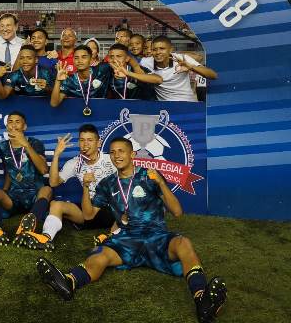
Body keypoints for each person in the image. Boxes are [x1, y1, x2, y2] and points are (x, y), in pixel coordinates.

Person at [36, 138, 227, 323]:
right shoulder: (107, 183)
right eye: (112, 152)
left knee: (183, 243)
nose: (116, 155)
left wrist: (161, 183)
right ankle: (69, 281)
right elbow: (87, 215)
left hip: (156, 236)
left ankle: (202, 299)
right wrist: (86, 187)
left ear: (132, 154)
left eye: (121, 151)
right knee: (99, 255)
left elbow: (177, 212)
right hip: (126, 239)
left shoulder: (149, 176)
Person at [20, 125, 117, 250]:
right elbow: (53, 183)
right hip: (87, 210)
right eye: (82, 140)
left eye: (90, 140)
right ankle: (46, 238)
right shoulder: (75, 163)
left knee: (130, 207)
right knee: (56, 204)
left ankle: (112, 236)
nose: (85, 144)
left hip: (111, 211)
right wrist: (56, 155)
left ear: (99, 143)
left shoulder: (111, 160)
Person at [0, 112, 51, 246]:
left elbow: (43, 170)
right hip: (14, 197)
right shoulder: (3, 146)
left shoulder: (35, 143)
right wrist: (4, 192)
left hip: (34, 195)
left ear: (24, 127)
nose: (13, 125)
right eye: (10, 122)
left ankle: (27, 230)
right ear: (7, 126)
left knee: (47, 189)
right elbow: (9, 171)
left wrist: (26, 145)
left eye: (17, 122)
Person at [140, 36, 217, 102]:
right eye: (154, 49)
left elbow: (213, 75)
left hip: (187, 103)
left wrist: (192, 67)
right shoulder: (145, 62)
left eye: (162, 48)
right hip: (165, 107)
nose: (158, 52)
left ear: (170, 49)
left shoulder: (182, 59)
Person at [50, 45, 112, 110]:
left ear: (91, 59)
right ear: (73, 60)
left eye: (84, 57)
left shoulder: (102, 70)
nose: (79, 61)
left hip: (103, 112)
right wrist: (58, 80)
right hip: (78, 113)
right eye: (76, 58)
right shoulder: (70, 80)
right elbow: (54, 103)